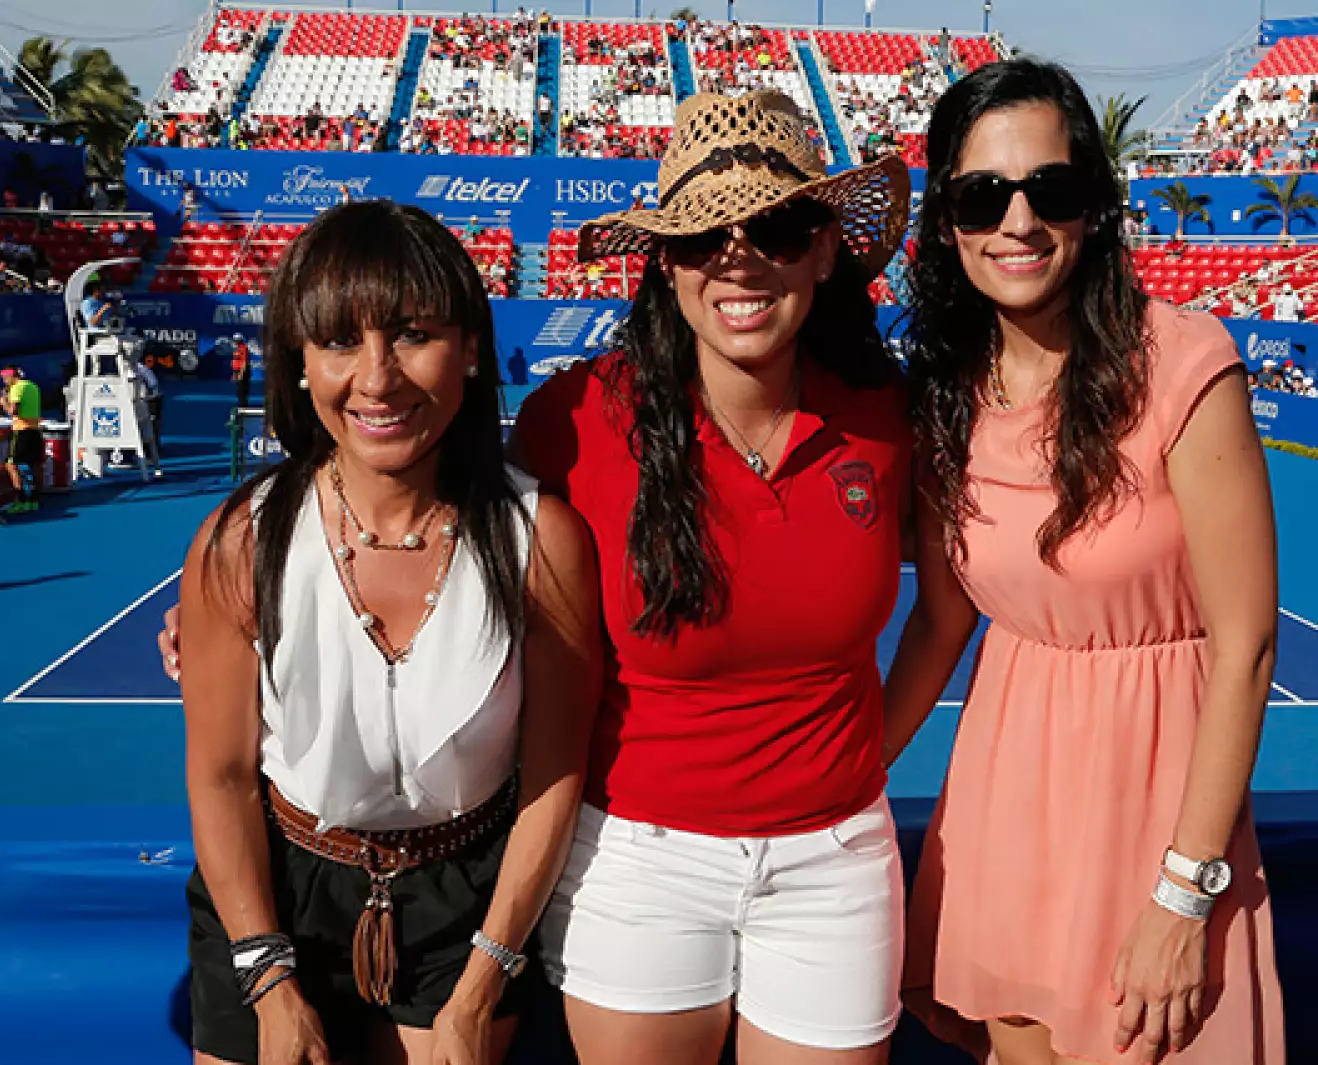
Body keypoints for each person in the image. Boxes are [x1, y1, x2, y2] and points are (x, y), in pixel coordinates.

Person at [887, 60, 1285, 1065]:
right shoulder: (943, 391)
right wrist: (838, 774)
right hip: (1003, 804)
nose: (1016, 222)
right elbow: (941, 620)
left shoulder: (1185, 363)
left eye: (1049, 191)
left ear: (1094, 209)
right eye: (982, 197)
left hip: (1158, 811)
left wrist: (1183, 892)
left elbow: (1244, 645)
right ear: (946, 224)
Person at [514, 91, 914, 1065]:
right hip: (635, 867)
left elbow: (974, 585)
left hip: (839, 864)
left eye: (774, 228)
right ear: (665, 263)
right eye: (700, 237)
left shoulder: (884, 416)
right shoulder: (572, 421)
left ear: (824, 250)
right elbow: (435, 551)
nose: (736, 258)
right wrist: (247, 613)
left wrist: (866, 756)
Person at [169, 202, 602, 1065]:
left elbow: (555, 773)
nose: (376, 378)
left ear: (472, 349)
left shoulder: (542, 538)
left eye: (411, 334)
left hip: (471, 904)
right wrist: (265, 975)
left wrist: (483, 982)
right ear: (299, 364)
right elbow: (220, 778)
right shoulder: (239, 543)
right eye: (337, 342)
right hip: (274, 892)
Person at [0, 366, 43, 514]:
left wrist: (4, 402)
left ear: (13, 376)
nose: (4, 381)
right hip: (35, 430)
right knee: (34, 464)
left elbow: (13, 411)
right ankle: (35, 501)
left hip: (21, 431)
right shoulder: (33, 386)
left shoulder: (16, 388)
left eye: (5, 377)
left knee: (11, 465)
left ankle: (21, 501)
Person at [230, 333, 254, 409]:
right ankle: (241, 405)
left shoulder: (244, 348)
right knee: (239, 390)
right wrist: (234, 373)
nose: (234, 341)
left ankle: (243, 406)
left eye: (235, 340)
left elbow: (244, 362)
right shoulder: (236, 349)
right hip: (237, 371)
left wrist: (241, 373)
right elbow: (235, 361)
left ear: (239, 340)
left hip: (243, 372)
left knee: (243, 389)